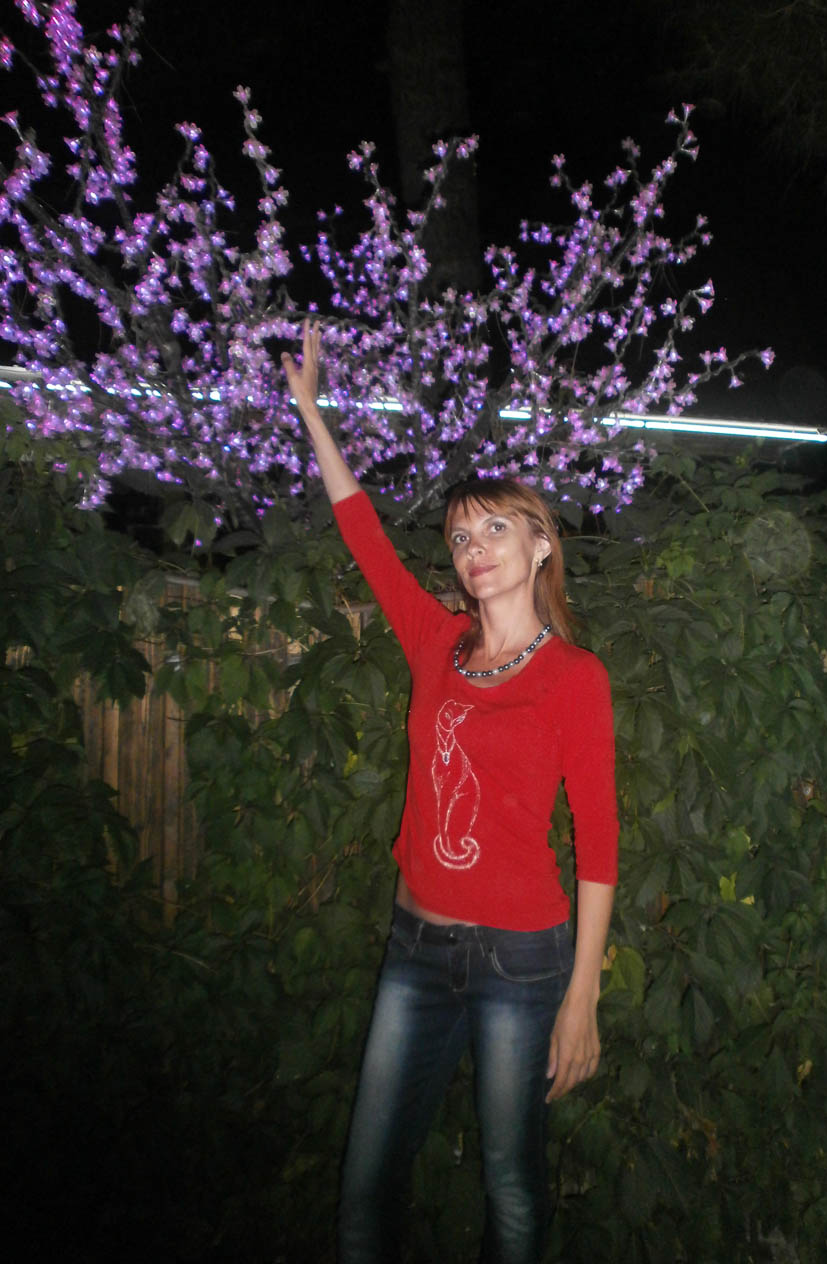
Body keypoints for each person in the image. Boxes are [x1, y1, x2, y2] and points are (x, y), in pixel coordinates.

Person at [281, 321, 618, 1264]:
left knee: (511, 1190)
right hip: (416, 948)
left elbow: (599, 842)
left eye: (496, 529)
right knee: (365, 1189)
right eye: (462, 536)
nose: (474, 549)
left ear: (542, 546)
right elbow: (363, 532)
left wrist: (582, 996)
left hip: (522, 959)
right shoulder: (436, 643)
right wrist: (312, 412)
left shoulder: (575, 677)